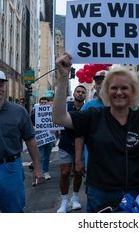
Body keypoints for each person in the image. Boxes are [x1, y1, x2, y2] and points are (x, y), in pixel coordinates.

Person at [52, 52, 139, 213]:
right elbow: (59, 118)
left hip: (138, 195)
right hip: (101, 194)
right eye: (114, 88)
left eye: (124, 88)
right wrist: (63, 77)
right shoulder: (92, 116)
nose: (119, 92)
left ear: (132, 92)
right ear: (105, 91)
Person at [0, 69, 42, 212]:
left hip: (11, 169)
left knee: (13, 212)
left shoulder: (19, 111)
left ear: (5, 87)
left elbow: (30, 140)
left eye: (0, 85)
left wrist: (37, 168)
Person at [56, 85, 87, 213]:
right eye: (78, 91)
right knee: (65, 173)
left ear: (85, 95)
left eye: (82, 92)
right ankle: (64, 201)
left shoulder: (87, 109)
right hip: (66, 144)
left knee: (78, 172)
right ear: (74, 93)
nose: (80, 94)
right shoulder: (65, 108)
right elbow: (57, 118)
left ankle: (75, 198)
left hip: (82, 146)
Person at [75, 70, 107, 173]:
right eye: (98, 83)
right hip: (93, 164)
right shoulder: (87, 107)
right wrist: (78, 160)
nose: (100, 85)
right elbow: (79, 135)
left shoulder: (121, 104)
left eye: (104, 82)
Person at [30, 96, 54, 180]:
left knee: (47, 156)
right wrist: (33, 127)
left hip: (49, 137)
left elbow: (57, 122)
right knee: (40, 156)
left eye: (45, 102)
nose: (43, 104)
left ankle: (46, 172)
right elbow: (30, 122)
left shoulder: (53, 112)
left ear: (49, 103)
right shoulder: (34, 112)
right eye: (42, 103)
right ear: (39, 103)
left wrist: (55, 129)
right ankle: (37, 172)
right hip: (39, 137)